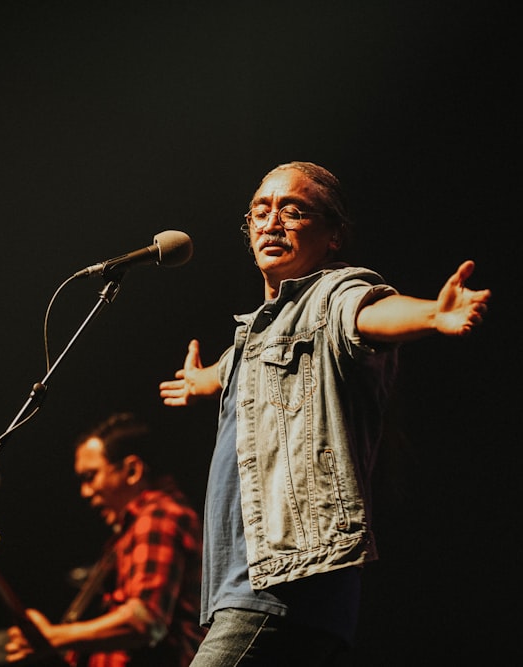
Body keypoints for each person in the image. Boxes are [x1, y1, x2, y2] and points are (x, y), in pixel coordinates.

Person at [158, 161, 492, 665]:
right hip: (245, 588)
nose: (272, 223)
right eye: (261, 211)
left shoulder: (331, 296)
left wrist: (432, 314)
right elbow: (232, 368)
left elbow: (368, 314)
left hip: (286, 584)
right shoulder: (253, 336)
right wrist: (202, 381)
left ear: (333, 235)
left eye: (293, 211)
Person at [5, 412, 206, 667]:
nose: (85, 492)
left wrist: (54, 636)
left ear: (132, 470)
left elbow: (144, 621)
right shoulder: (130, 531)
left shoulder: (159, 516)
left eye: (90, 476)